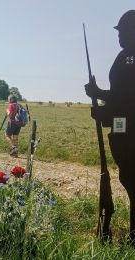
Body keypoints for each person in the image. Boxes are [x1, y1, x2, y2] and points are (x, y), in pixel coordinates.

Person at [85, 10, 135, 244]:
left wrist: (100, 97)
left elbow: (125, 97)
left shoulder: (129, 58)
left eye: (123, 31)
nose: (119, 36)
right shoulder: (126, 56)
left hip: (129, 129)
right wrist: (106, 112)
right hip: (124, 125)